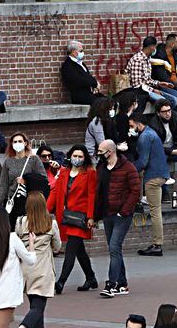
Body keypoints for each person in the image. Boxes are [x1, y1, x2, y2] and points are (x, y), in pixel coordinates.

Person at [8, 192, 62, 328]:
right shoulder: (50, 223)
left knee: (35, 305)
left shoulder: (20, 222)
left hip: (25, 269)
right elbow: (57, 247)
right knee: (39, 306)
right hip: (43, 269)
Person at [48, 145, 99, 293]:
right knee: (79, 250)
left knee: (71, 249)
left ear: (85, 158)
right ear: (70, 156)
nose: (77, 159)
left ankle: (61, 281)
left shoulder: (90, 172)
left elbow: (92, 195)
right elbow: (56, 192)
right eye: (75, 156)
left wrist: (91, 217)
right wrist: (45, 210)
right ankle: (91, 277)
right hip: (66, 216)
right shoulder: (64, 172)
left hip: (80, 217)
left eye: (80, 156)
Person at [95, 138, 141, 298]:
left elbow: (135, 191)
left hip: (121, 215)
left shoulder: (128, 167)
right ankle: (122, 283)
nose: (98, 154)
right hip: (107, 213)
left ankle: (111, 284)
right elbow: (99, 192)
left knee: (114, 247)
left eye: (101, 151)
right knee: (115, 249)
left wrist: (124, 210)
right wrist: (96, 215)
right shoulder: (101, 168)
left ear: (110, 152)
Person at [129, 112, 168, 257]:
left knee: (155, 211)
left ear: (138, 124)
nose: (131, 128)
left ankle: (157, 244)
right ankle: (157, 244)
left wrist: (128, 169)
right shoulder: (151, 133)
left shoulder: (144, 137)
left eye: (131, 125)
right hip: (160, 174)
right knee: (156, 210)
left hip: (153, 177)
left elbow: (143, 161)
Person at [0, 132, 46, 211]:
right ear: (12, 144)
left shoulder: (34, 159)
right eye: (15, 142)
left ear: (25, 143)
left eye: (20, 141)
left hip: (29, 200)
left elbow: (43, 179)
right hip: (12, 200)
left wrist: (26, 181)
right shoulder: (8, 162)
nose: (17, 143)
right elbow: (3, 185)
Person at [60, 40, 102, 105]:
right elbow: (80, 80)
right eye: (81, 51)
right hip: (79, 96)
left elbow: (88, 76)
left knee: (109, 101)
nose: (82, 53)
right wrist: (95, 83)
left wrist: (94, 85)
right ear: (74, 52)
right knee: (102, 103)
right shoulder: (68, 66)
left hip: (89, 93)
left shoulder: (81, 64)